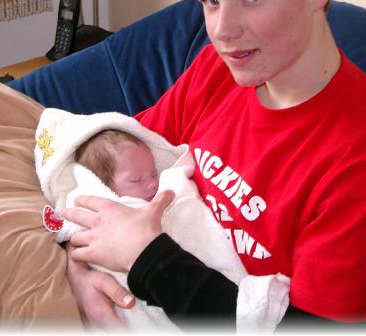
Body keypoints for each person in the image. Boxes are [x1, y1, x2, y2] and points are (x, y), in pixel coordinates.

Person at [61, 0, 366, 330]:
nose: (221, 30)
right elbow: (109, 167)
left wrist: (146, 259)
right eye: (210, 2)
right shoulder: (221, 68)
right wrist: (77, 265)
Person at [34, 108, 290, 331]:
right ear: (101, 183)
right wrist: (76, 268)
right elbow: (67, 225)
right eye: (136, 180)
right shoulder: (96, 187)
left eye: (153, 173)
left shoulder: (166, 182)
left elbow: (176, 172)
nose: (151, 184)